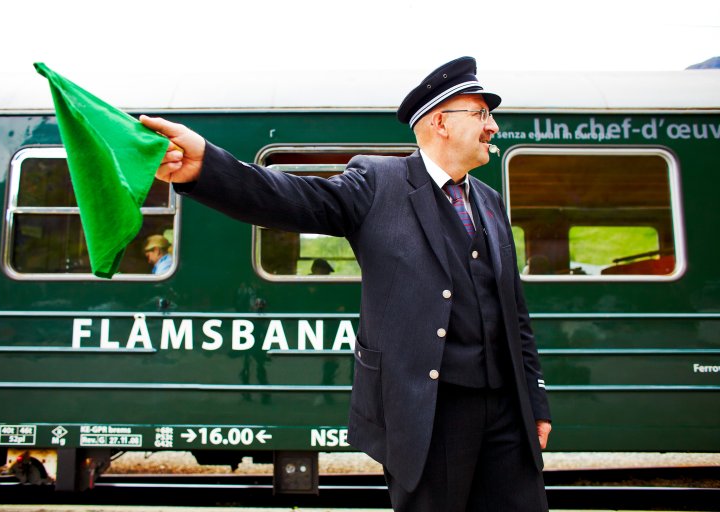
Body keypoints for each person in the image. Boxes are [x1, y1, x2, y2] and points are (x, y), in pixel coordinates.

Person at [140, 56, 551, 512]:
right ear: (442, 122)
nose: (492, 126)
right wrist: (206, 168)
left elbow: (515, 314)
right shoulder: (380, 183)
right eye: (481, 114)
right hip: (429, 414)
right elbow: (291, 198)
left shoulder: (489, 201)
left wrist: (535, 400)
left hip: (508, 416)